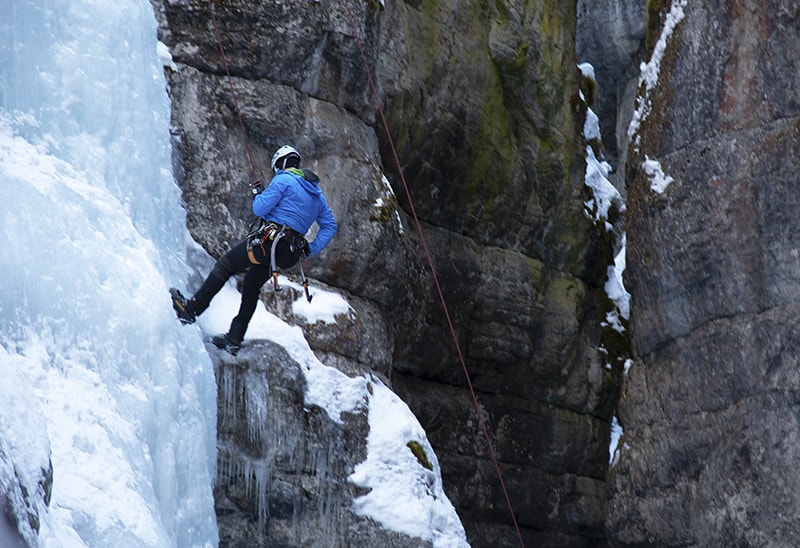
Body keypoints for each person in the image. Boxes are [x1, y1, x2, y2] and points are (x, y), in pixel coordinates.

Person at [170, 145, 338, 355]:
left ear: (282, 164)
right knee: (251, 283)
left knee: (226, 265)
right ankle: (234, 339)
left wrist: (259, 194)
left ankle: (191, 309)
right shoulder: (317, 196)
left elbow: (259, 209)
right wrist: (310, 249)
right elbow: (330, 225)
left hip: (268, 245)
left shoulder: (284, 179)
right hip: (288, 255)